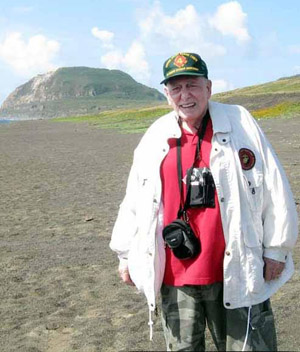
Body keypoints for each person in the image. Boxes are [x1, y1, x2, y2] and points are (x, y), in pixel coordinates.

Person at [109, 52, 298, 351]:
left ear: (209, 87)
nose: (185, 95)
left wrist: (276, 248)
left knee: (250, 347)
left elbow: (274, 185)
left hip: (237, 266)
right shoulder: (155, 134)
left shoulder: (240, 123)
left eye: (192, 85)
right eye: (176, 88)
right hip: (176, 274)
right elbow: (135, 198)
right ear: (167, 94)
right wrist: (124, 254)